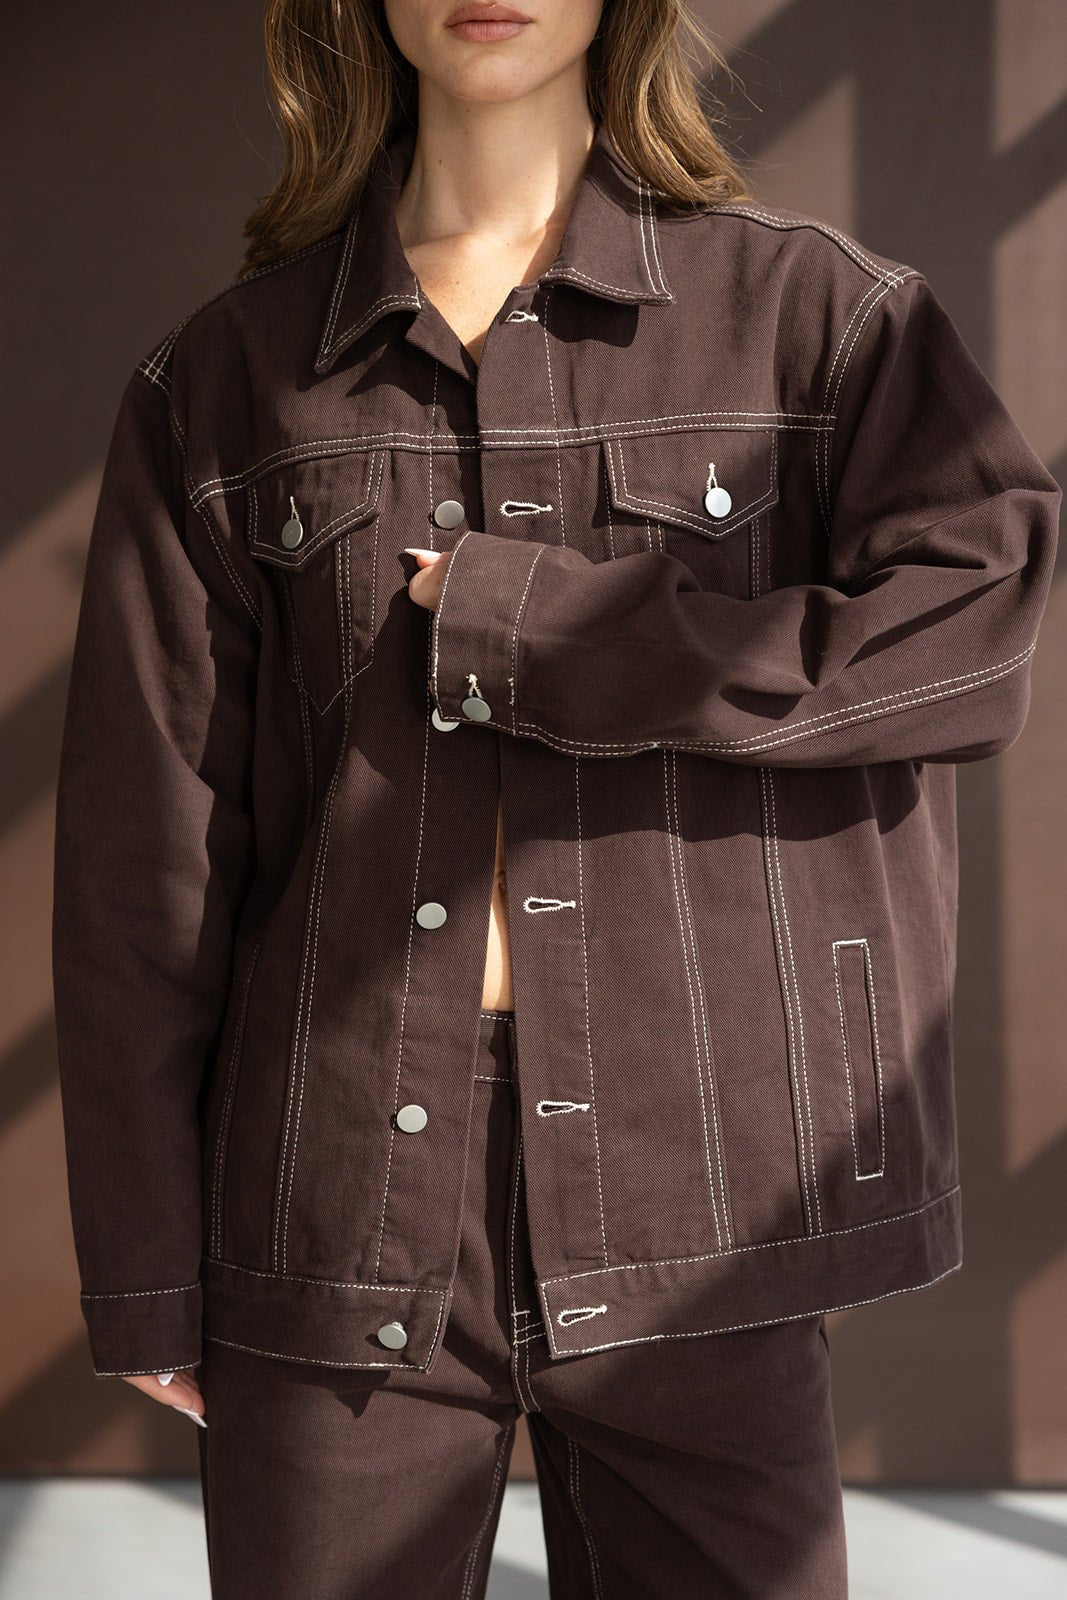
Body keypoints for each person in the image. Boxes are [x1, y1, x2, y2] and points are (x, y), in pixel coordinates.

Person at [51, 1, 1061, 1596]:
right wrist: (146, 1261)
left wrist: (554, 633)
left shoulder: (816, 321)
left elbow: (971, 642)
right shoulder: (225, 380)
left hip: (704, 1186)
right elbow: (144, 862)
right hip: (336, 1201)